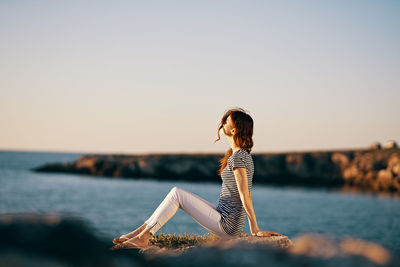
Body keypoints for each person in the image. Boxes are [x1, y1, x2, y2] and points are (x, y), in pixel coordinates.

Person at [110, 107, 282, 250]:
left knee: (177, 194)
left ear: (235, 129)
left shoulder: (239, 157)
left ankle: (144, 237)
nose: (222, 124)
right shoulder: (237, 155)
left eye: (226, 121)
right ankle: (138, 234)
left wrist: (254, 228)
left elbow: (245, 195)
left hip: (228, 224)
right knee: (176, 193)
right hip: (222, 214)